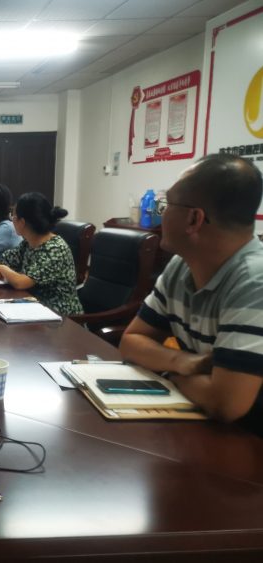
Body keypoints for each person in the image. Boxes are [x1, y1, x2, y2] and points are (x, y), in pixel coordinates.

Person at [120, 154, 263, 434]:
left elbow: (225, 403)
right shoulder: (181, 266)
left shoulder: (254, 282)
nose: (161, 215)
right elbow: (131, 342)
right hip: (201, 423)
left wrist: (169, 373)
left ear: (193, 219)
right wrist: (183, 362)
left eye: (166, 204)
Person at [0, 192, 83, 315]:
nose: (12, 220)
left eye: (13, 216)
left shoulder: (54, 249)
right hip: (35, 308)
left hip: (61, 315)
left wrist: (0, 268)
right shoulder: (29, 242)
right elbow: (5, 260)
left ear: (22, 222)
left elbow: (20, 282)